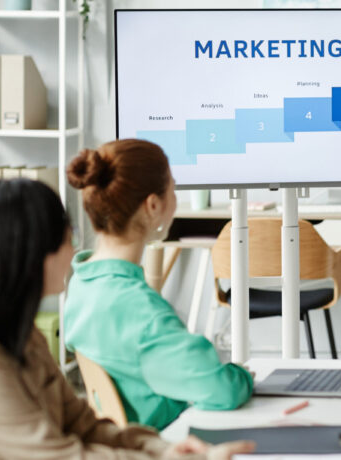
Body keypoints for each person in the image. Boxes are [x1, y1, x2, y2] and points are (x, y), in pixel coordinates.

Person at [0, 179, 253, 459]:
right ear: (32, 255)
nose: (73, 253)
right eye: (67, 240)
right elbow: (60, 456)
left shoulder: (24, 338)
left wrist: (161, 449)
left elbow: (82, 426)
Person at [64, 140, 253, 430]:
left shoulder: (82, 283)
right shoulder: (141, 312)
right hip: (161, 440)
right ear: (153, 205)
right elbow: (222, 390)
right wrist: (242, 376)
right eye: (173, 189)